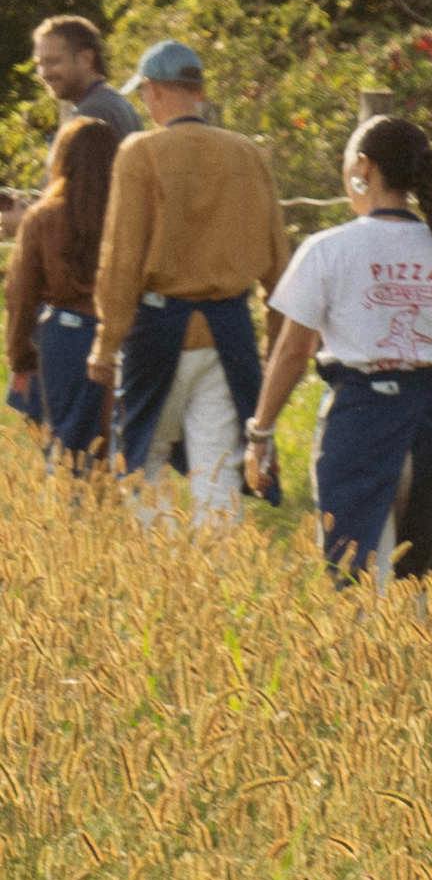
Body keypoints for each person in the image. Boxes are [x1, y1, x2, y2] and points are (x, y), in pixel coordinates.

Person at [242, 118, 432, 581]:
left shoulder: (327, 249)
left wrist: (261, 433)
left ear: (363, 167)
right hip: (431, 426)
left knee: (355, 580)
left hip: (357, 421)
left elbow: (293, 353)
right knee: (417, 585)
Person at [91, 40, 289, 524]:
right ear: (198, 92)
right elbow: (279, 261)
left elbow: (122, 257)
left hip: (158, 330)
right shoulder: (247, 154)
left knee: (144, 460)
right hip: (229, 331)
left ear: (155, 92)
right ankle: (215, 580)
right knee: (217, 465)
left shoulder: (140, 153)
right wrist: (278, 340)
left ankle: (159, 578)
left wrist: (105, 342)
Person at [4, 116, 120, 466]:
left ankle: (73, 517)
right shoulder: (127, 216)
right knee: (113, 446)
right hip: (117, 334)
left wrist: (20, 353)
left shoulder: (42, 218)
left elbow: (20, 294)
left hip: (63, 337)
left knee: (66, 447)